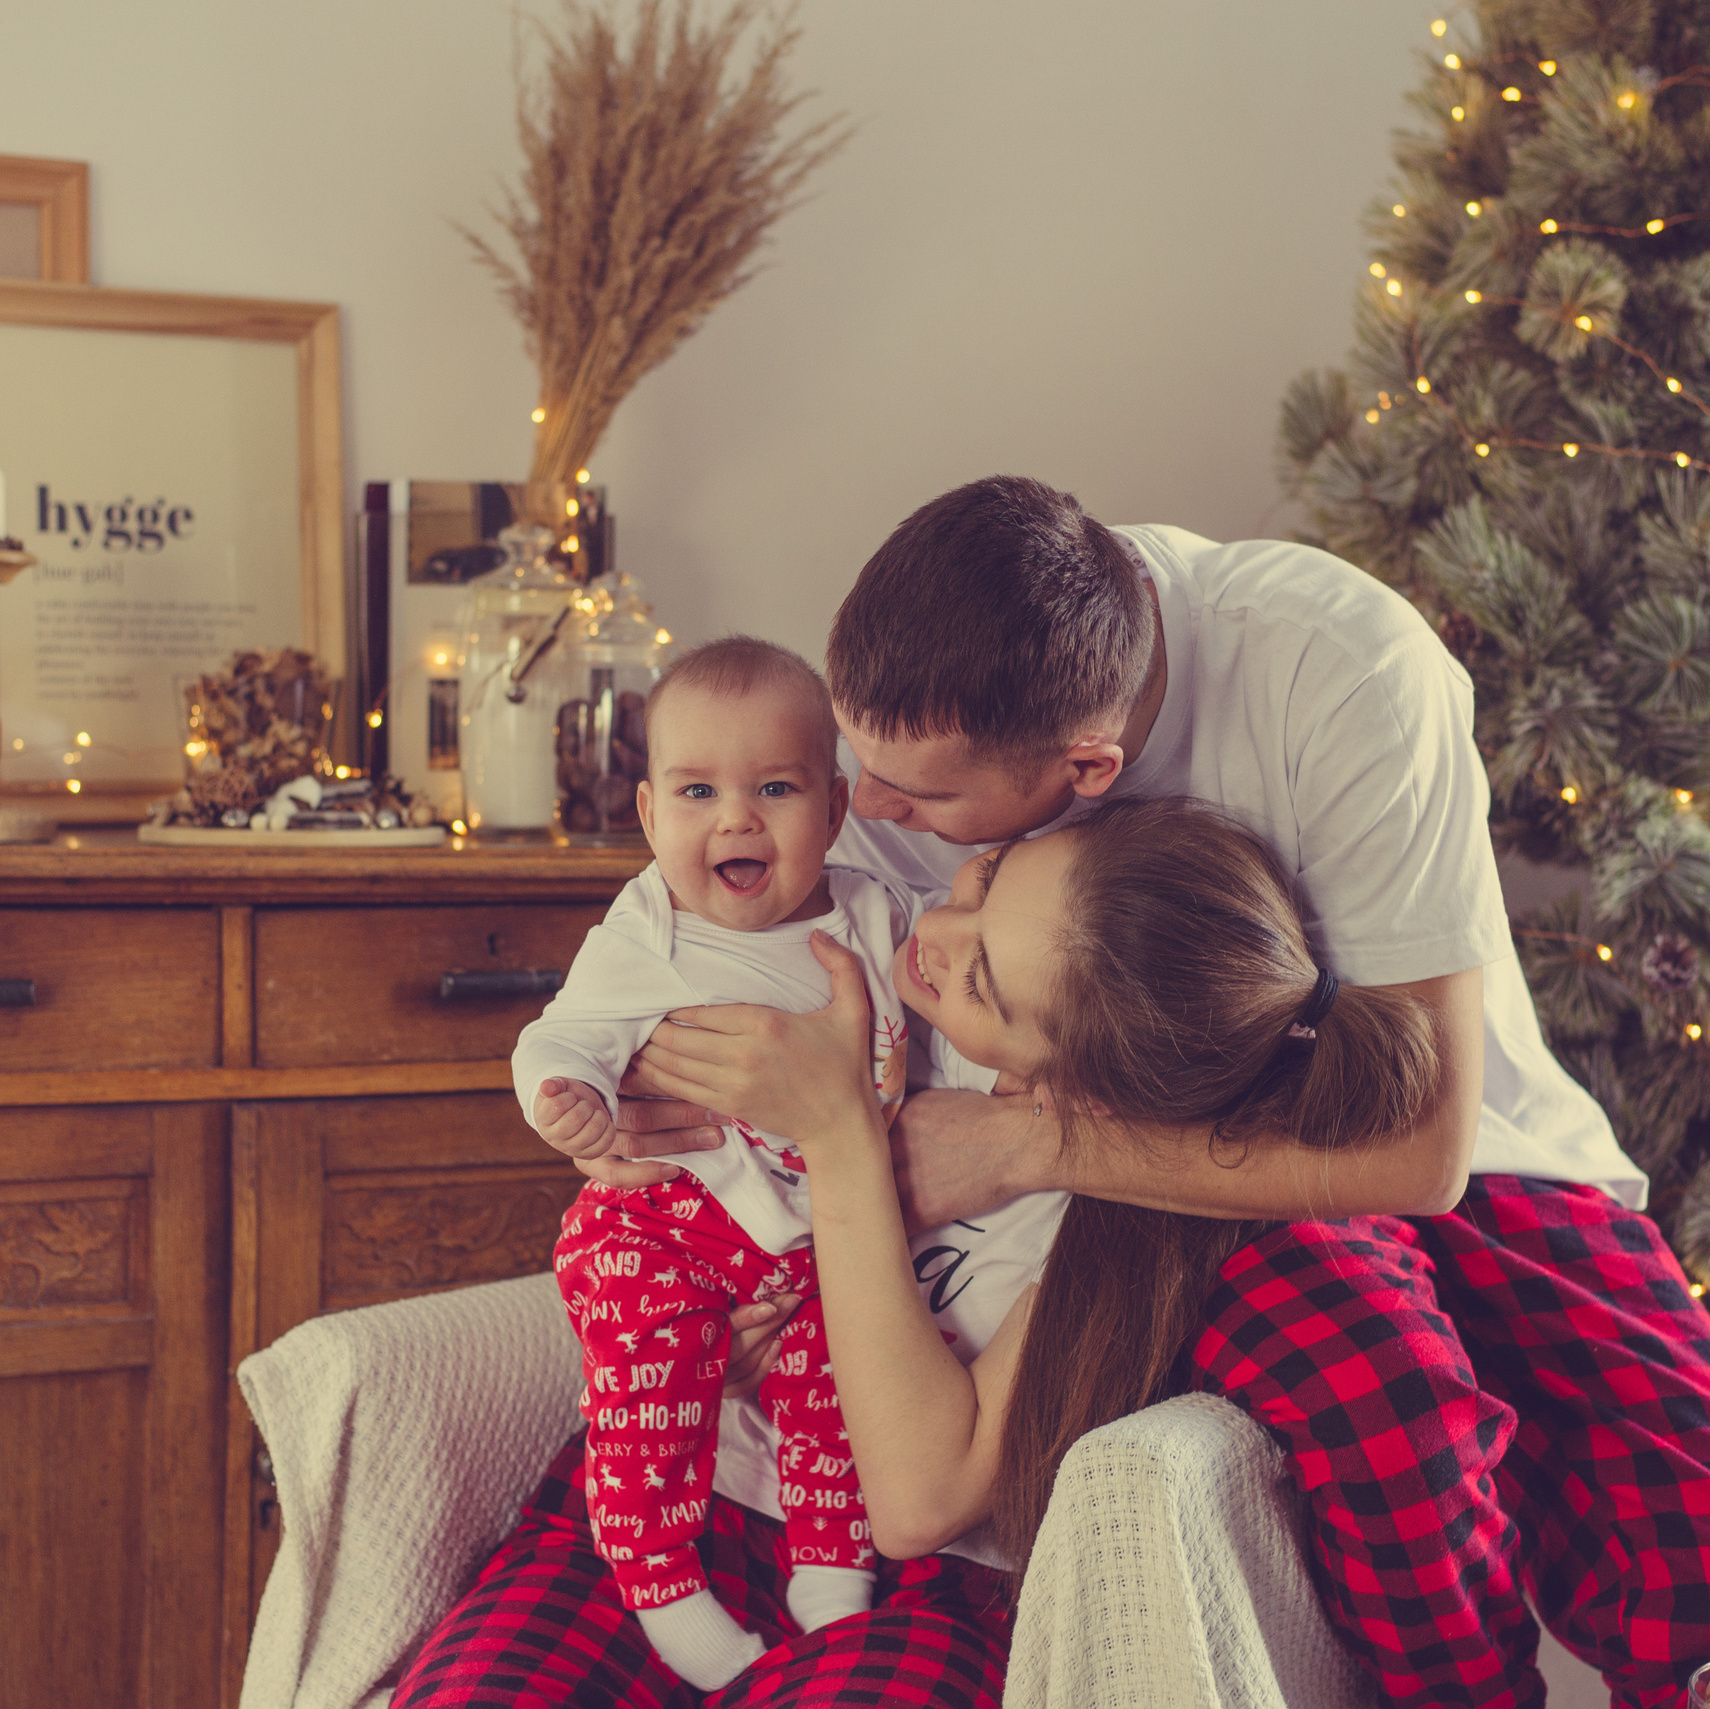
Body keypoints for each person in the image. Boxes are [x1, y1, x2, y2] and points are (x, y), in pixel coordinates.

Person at [591, 477, 1710, 1709]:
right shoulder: (922, 749)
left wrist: (1024, 1144)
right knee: (1354, 1355)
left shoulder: (1340, 673)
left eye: (923, 800)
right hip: (1135, 1174)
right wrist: (634, 1113)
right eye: (855, 763)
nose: (869, 809)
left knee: (1672, 1517)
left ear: (1090, 769)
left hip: (1438, 1129)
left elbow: (1423, 1154)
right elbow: (721, 991)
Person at [515, 637, 912, 1689]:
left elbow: (930, 1045)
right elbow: (560, 1035)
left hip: (820, 1232)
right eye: (698, 791)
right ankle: (658, 1576)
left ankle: (833, 1570)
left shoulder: (872, 918)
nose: (736, 818)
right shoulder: (647, 926)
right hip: (660, 1221)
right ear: (650, 816)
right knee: (652, 1387)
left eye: (774, 787)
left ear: (835, 808)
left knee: (843, 1379)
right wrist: (569, 1098)